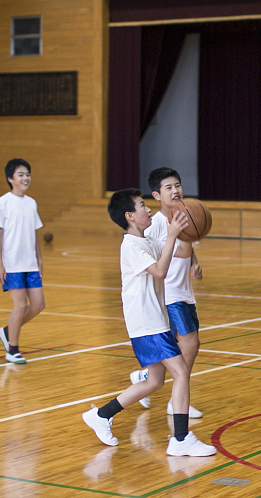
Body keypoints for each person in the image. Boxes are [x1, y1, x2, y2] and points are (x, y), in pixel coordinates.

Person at [82, 188, 215, 457]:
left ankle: (101, 415)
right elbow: (160, 270)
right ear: (130, 215)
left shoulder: (146, 242)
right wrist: (174, 234)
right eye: (143, 205)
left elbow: (179, 253)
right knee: (179, 373)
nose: (149, 209)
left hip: (155, 321)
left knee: (154, 382)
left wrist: (189, 229)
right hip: (146, 321)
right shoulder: (130, 246)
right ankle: (180, 439)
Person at [130, 167, 204, 417]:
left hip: (185, 291)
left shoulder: (185, 216)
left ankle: (145, 376)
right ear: (156, 195)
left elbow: (187, 248)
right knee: (190, 343)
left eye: (178, 185)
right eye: (168, 187)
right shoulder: (154, 224)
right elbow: (153, 259)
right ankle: (176, 401)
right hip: (168, 294)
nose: (176, 190)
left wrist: (194, 262)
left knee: (185, 346)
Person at [0, 158, 46, 364]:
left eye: (27, 174)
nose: (25, 178)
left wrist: (40, 259)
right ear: (10, 179)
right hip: (12, 265)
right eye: (21, 175)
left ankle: (8, 331)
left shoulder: (31, 203)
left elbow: (34, 234)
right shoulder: (2, 202)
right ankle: (12, 349)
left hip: (30, 264)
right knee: (20, 306)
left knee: (39, 304)